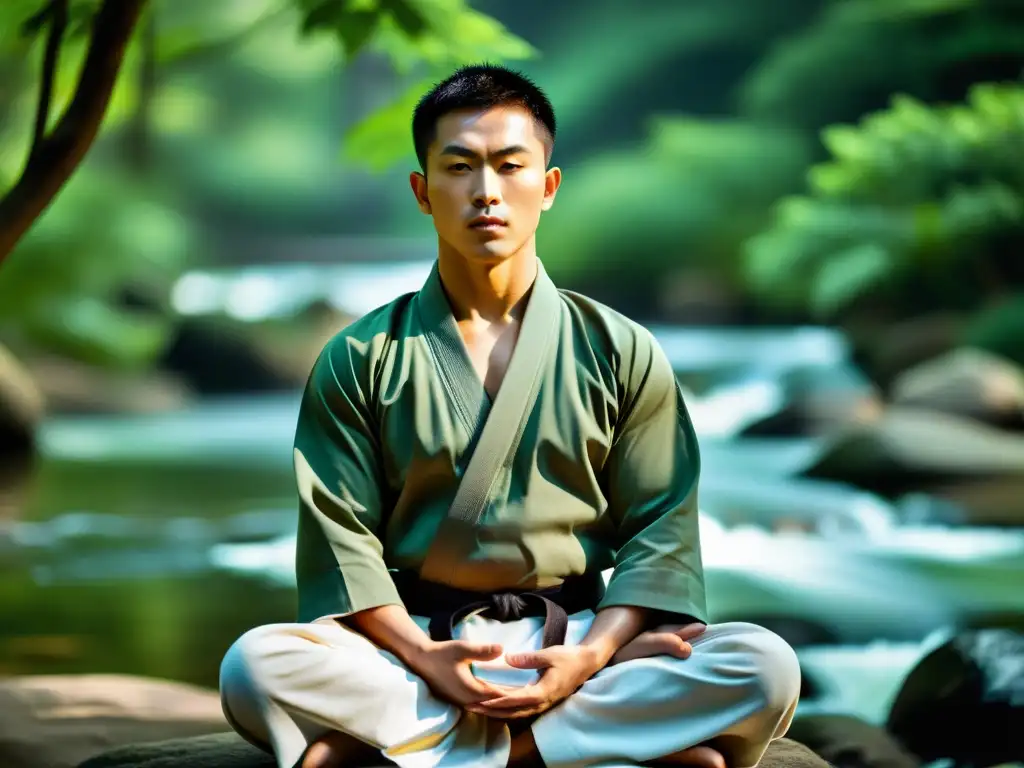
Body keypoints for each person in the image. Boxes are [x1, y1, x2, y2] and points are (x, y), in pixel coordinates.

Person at [219, 64, 801, 768]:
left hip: (575, 634)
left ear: (548, 186)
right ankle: (570, 746)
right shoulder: (361, 356)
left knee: (765, 663)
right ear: (422, 191)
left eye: (509, 165)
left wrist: (590, 656)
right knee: (254, 664)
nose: (485, 191)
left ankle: (430, 748)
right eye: (459, 167)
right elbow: (343, 543)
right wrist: (425, 657)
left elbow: (661, 534)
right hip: (412, 647)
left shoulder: (619, 350)